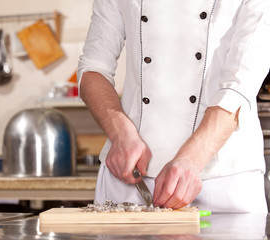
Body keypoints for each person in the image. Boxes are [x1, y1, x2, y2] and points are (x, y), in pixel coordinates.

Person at [77, 0, 270, 213]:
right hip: (130, 177)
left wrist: (192, 159)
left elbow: (239, 86)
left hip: (222, 180)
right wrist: (120, 132)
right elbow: (93, 69)